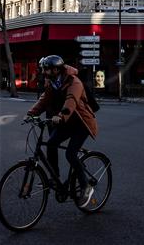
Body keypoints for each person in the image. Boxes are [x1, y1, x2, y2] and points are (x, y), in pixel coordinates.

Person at [27, 55, 98, 208]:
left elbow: (71, 100)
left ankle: (86, 187)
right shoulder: (51, 82)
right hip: (67, 122)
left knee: (70, 154)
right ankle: (55, 176)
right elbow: (45, 99)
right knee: (51, 143)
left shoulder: (74, 82)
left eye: (48, 69)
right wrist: (31, 113)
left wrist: (60, 116)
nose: (45, 72)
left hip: (81, 123)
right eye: (44, 69)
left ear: (57, 69)